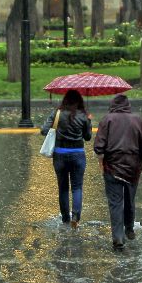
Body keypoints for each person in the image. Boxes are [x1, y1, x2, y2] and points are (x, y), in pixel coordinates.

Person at [93, 94, 142, 250]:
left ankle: (118, 237)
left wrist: (101, 162)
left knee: (115, 203)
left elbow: (99, 146)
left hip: (112, 168)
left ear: (112, 105)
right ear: (128, 106)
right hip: (133, 169)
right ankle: (129, 228)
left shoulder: (107, 120)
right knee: (130, 199)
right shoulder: (139, 120)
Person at [40, 90, 93, 229]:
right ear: (79, 101)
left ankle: (65, 219)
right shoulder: (83, 116)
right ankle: (75, 217)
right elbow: (88, 137)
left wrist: (57, 129)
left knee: (63, 188)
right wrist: (89, 121)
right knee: (77, 187)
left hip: (60, 155)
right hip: (77, 155)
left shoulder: (57, 113)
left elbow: (44, 130)